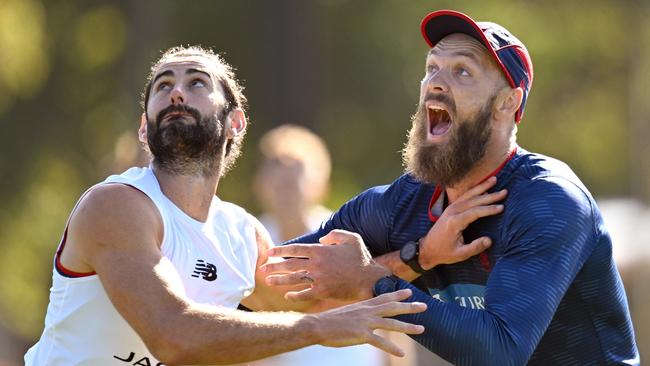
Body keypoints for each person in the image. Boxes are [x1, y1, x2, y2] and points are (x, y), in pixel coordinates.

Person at [262, 10, 640, 365]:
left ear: (508, 102)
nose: (436, 83)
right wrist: (417, 258)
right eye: (432, 68)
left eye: (463, 71)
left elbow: (500, 351)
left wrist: (375, 281)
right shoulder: (400, 204)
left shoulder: (550, 201)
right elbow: (270, 283)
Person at [23, 45, 429, 365]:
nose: (176, 91)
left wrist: (423, 254)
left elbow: (318, 297)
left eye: (197, 83)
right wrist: (318, 328)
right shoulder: (116, 205)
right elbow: (173, 336)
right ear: (145, 129)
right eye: (163, 86)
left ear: (235, 122)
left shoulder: (240, 234)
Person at [250, 124, 389, 366]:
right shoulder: (247, 244)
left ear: (322, 184)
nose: (286, 177)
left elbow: (387, 308)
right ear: (259, 183)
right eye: (276, 165)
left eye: (297, 168)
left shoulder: (348, 239)